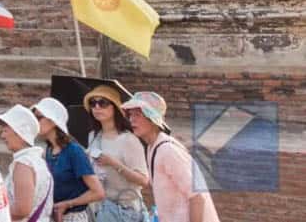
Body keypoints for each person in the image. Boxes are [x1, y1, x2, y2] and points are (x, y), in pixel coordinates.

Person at [121, 92, 220, 222]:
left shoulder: (167, 150)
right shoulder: (153, 147)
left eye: (138, 115)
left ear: (152, 119)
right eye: (131, 114)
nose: (132, 119)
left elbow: (197, 197)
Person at [33, 97, 104, 222]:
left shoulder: (74, 151)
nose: (35, 121)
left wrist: (68, 204)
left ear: (53, 121)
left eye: (39, 117)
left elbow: (98, 192)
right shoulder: (48, 151)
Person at [83, 86, 148, 222]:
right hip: (100, 210)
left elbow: (143, 180)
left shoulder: (128, 140)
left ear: (115, 108)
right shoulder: (93, 136)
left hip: (125, 212)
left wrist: (114, 163)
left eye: (103, 103)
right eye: (93, 103)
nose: (97, 107)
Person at [0, 105, 53, 222]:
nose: (2, 136)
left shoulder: (24, 164)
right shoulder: (36, 160)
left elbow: (22, 210)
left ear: (20, 133)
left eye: (6, 130)